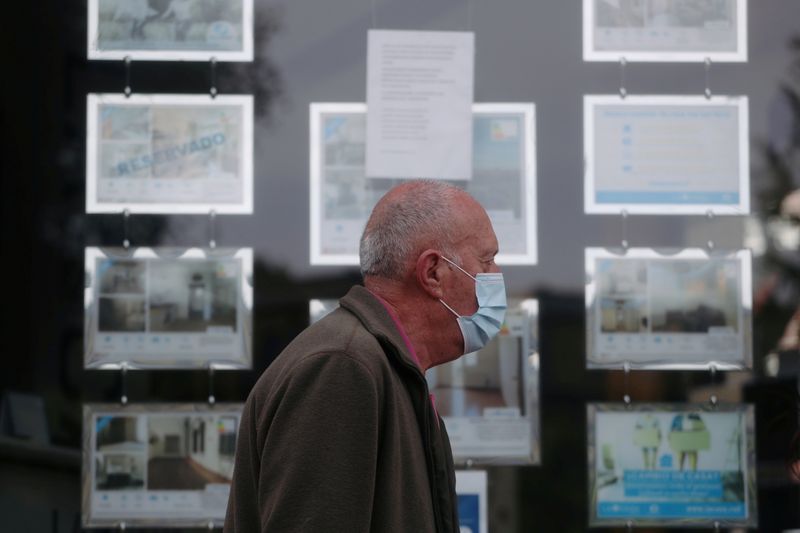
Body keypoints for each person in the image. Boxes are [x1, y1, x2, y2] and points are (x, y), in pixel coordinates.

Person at [224, 180, 505, 532]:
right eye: (488, 260)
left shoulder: (384, 366)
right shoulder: (341, 367)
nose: (496, 275)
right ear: (433, 273)